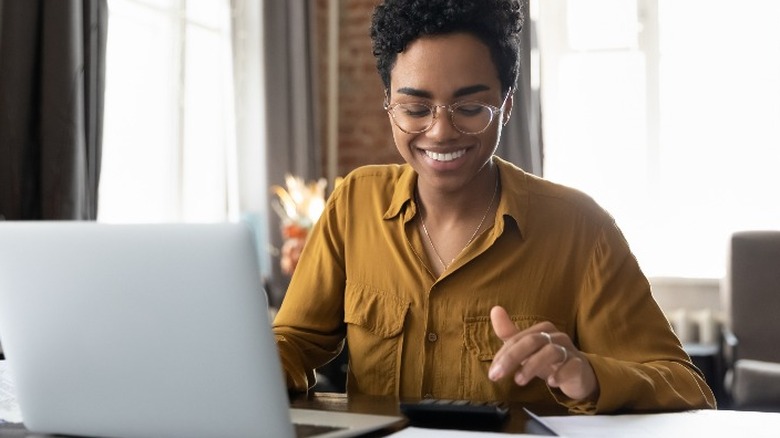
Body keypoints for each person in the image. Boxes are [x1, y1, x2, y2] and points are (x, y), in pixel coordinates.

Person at [273, 0, 716, 414]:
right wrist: (260, 363)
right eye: (415, 107)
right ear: (389, 105)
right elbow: (294, 341)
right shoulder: (355, 203)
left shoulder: (581, 229)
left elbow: (689, 389)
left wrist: (589, 376)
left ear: (506, 106)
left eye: (469, 107)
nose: (440, 131)